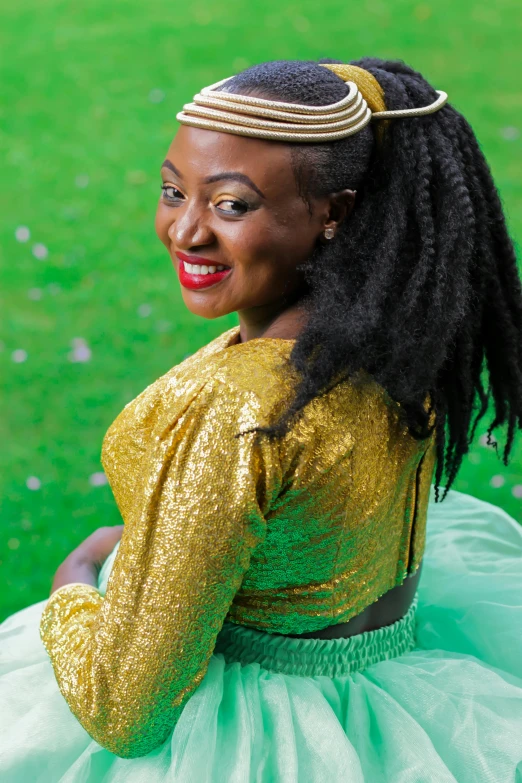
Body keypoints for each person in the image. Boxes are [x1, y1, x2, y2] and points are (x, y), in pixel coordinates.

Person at [1, 56, 522, 782]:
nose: (185, 230)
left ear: (333, 213)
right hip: (388, 705)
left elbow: (125, 709)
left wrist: (76, 580)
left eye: (231, 204)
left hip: (248, 740)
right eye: (173, 190)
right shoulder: (398, 338)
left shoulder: (237, 414)